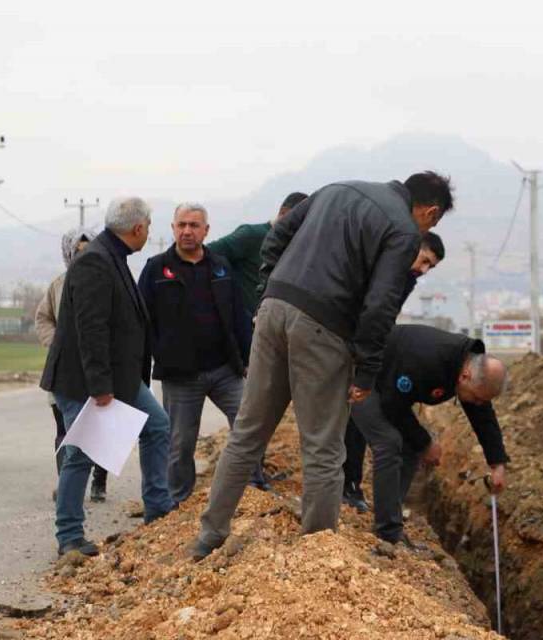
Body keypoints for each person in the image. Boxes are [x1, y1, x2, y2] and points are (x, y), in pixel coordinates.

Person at [191, 172, 455, 560]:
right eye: (432, 222)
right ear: (430, 211)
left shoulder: (336, 189)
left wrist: (268, 290)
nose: (427, 229)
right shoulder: (402, 229)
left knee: (247, 433)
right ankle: (317, 551)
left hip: (273, 313)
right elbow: (380, 304)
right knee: (323, 445)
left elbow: (277, 236)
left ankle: (209, 536)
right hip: (324, 328)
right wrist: (366, 371)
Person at [40, 197, 173, 557]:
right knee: (81, 453)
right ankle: (69, 537)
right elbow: (90, 327)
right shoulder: (96, 262)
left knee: (157, 426)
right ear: (138, 228)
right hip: (85, 381)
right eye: (149, 225)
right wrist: (100, 387)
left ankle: (159, 509)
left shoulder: (112, 257)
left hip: (120, 378)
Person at [350, 324, 509, 546]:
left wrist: (497, 463)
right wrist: (425, 443)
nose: (479, 404)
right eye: (477, 398)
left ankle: (390, 522)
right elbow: (392, 404)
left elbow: (483, 416)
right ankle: (385, 531)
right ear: (465, 377)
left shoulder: (471, 371)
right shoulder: (427, 361)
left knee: (409, 446)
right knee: (389, 442)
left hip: (388, 382)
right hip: (363, 375)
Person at [138, 203, 254, 507]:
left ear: (206, 231)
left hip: (225, 370)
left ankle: (253, 490)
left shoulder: (220, 267)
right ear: (173, 228)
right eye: (182, 225)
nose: (187, 231)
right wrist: (148, 359)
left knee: (249, 426)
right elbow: (140, 319)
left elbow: (239, 315)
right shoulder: (156, 269)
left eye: (194, 225)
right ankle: (179, 503)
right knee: (180, 445)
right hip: (181, 376)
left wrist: (248, 359)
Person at [205, 190, 308, 490]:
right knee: (249, 409)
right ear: (286, 214)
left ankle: (255, 474)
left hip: (270, 335)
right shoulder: (252, 235)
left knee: (260, 406)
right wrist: (228, 299)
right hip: (245, 336)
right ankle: (247, 479)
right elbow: (210, 254)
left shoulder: (292, 249)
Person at [342, 231, 445, 513]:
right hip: (346, 342)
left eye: (430, 267)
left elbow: (387, 315)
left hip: (368, 349)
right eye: (424, 260)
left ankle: (349, 486)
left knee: (357, 418)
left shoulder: (406, 279)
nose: (423, 270)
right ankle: (343, 487)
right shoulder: (385, 263)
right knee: (356, 420)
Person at [34, 228, 110, 503]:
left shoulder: (105, 281)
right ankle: (67, 485)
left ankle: (98, 483)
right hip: (65, 371)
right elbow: (43, 318)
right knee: (65, 430)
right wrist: (58, 344)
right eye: (78, 250)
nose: (84, 255)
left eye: (89, 249)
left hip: (98, 369)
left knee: (100, 428)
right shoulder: (58, 285)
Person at [207, 192, 308, 317]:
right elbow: (207, 252)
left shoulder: (296, 248)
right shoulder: (251, 235)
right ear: (284, 212)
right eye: (300, 220)